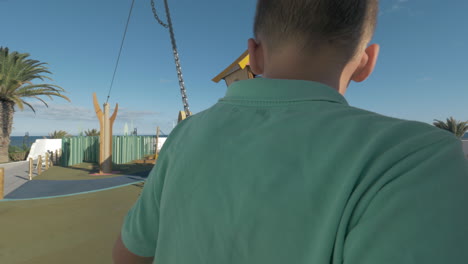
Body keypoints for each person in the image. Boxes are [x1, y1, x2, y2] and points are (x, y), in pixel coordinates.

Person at [113, 0, 468, 263]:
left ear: (254, 55)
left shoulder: (184, 136)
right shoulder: (418, 158)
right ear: (366, 62)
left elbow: (130, 255)